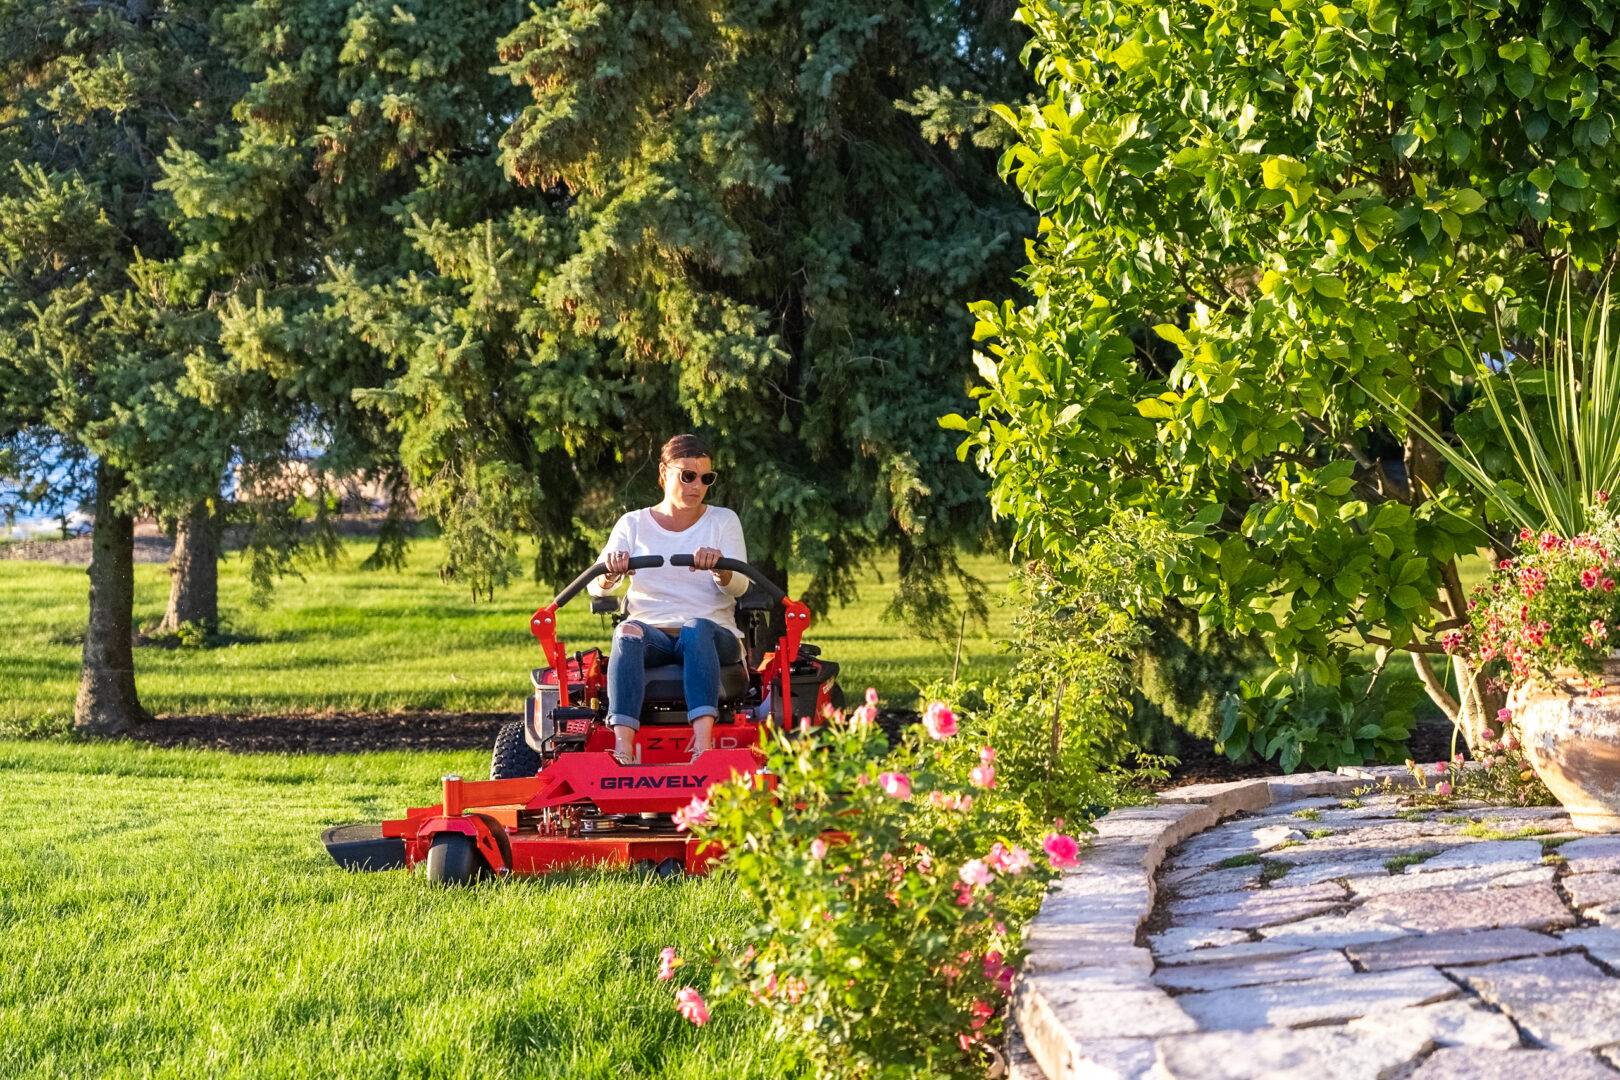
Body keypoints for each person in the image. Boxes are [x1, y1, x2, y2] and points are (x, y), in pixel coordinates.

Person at [587, 434, 750, 762]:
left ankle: (703, 748)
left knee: (695, 628)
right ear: (664, 473)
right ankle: (623, 751)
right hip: (654, 635)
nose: (697, 485)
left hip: (714, 634)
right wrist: (611, 572)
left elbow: (741, 586)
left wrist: (721, 570)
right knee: (627, 632)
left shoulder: (722, 521)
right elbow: (596, 586)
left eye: (706, 478)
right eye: (687, 475)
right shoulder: (632, 524)